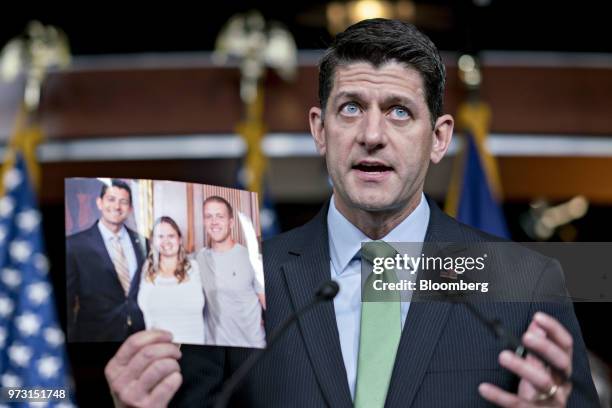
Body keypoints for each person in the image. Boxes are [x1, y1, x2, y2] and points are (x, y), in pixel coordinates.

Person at [104, 19, 599, 407]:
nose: (372, 135)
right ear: (319, 130)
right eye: (350, 108)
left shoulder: (524, 283)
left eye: (400, 111)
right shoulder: (237, 284)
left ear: (440, 138)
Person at [66, 179, 147, 342]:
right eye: (111, 199)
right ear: (99, 203)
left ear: (130, 208)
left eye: (123, 202)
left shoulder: (144, 244)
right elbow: (67, 300)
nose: (117, 207)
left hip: (139, 336)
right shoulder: (74, 245)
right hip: (95, 337)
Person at [195, 196, 266, 348]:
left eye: (220, 216)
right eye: (209, 216)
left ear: (231, 222)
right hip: (213, 352)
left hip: (251, 351)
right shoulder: (199, 258)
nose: (214, 221)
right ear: (204, 222)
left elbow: (271, 307)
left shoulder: (252, 259)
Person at [137, 216, 205, 345]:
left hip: (194, 351)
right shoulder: (146, 269)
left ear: (179, 239)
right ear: (153, 242)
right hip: (156, 353)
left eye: (171, 236)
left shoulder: (195, 267)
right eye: (160, 236)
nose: (166, 241)